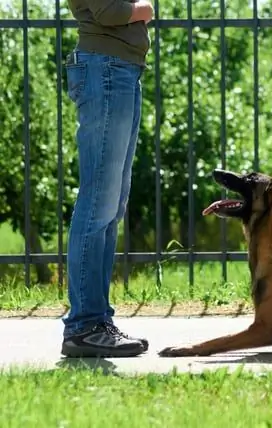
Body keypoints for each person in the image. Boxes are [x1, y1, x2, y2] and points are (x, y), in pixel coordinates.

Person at [61, 0, 154, 358]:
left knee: (110, 205)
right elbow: (109, 12)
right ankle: (84, 325)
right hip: (107, 70)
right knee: (98, 202)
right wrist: (145, 8)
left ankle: (97, 322)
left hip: (120, 70)